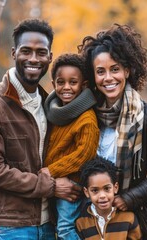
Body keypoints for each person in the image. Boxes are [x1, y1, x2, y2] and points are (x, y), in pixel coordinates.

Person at [78, 23, 147, 240]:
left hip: (138, 217)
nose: (108, 78)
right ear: (93, 77)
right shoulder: (87, 115)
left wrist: (128, 198)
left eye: (115, 69)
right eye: (100, 72)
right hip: (93, 219)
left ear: (127, 71)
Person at [0, 18, 81, 240]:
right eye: (26, 51)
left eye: (41, 52)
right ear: (14, 53)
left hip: (50, 225)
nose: (33, 59)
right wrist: (50, 187)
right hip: (11, 227)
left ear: (50, 57)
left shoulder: (50, 104)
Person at [41, 53, 99, 240]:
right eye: (61, 82)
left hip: (72, 183)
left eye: (73, 82)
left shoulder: (86, 118)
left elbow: (85, 154)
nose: (66, 87)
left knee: (66, 229)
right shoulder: (55, 114)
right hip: (56, 182)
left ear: (83, 86)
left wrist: (51, 170)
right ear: (53, 84)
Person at [76, 156, 142, 239]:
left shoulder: (129, 218)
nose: (102, 196)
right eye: (95, 190)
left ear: (115, 188)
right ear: (86, 192)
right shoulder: (81, 222)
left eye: (107, 188)